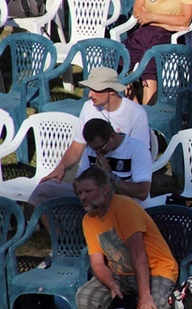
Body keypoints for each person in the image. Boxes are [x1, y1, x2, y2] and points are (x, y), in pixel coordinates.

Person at [28, 68, 151, 209]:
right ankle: (48, 229)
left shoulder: (135, 113)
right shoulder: (88, 108)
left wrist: (110, 175)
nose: (90, 95)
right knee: (43, 189)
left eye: (96, 90)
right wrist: (61, 166)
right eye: (89, 89)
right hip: (90, 173)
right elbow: (77, 146)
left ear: (111, 90)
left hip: (120, 181)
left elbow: (139, 155)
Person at [75, 166, 177, 309]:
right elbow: (97, 263)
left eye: (88, 191)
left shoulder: (124, 207)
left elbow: (138, 254)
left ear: (105, 190)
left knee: (154, 304)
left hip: (155, 270)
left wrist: (145, 296)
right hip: (120, 274)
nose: (83, 197)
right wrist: (111, 284)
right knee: (84, 298)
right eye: (80, 192)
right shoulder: (88, 220)